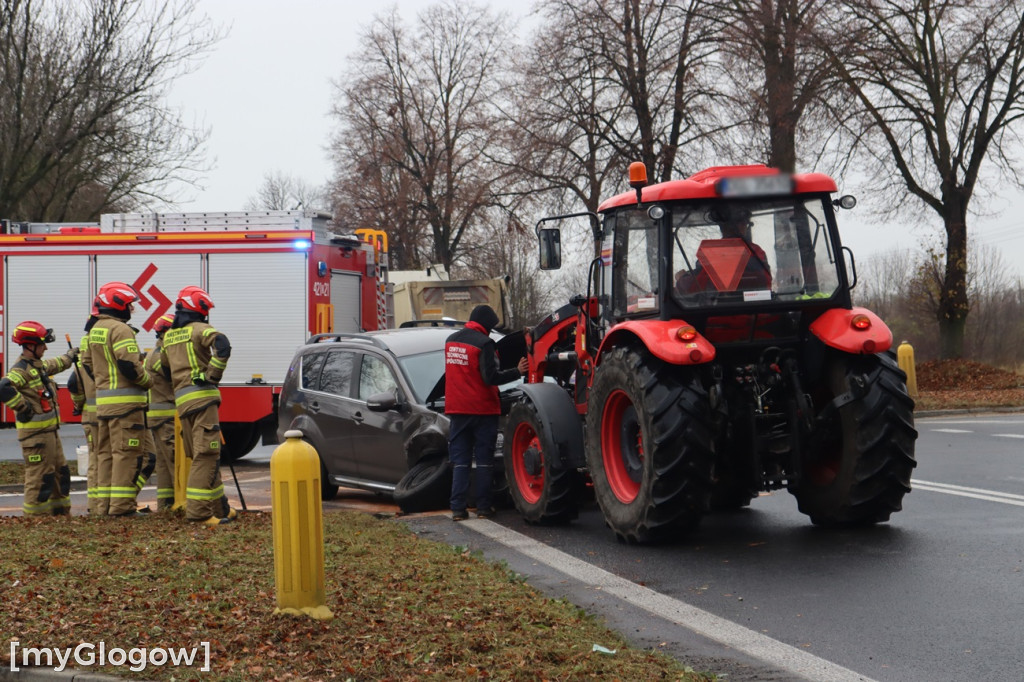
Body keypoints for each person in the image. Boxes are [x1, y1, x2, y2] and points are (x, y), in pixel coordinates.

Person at [160, 286, 235, 526]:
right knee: (207, 453)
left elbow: (163, 368)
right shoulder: (200, 330)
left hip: (183, 403)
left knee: (203, 455)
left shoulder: (169, 336)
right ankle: (199, 513)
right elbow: (223, 345)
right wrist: (212, 375)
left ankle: (218, 508)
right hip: (202, 399)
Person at [444, 304, 527, 521]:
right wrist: (516, 371)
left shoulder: (451, 341)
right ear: (486, 326)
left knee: (460, 461)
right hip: (482, 410)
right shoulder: (484, 343)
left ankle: (458, 510)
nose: (491, 331)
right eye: (491, 327)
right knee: (483, 461)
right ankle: (483, 508)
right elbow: (491, 377)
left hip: (457, 410)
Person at [83, 282, 154, 517]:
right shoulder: (120, 329)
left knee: (105, 457)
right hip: (126, 407)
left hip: (103, 406)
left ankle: (103, 508)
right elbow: (128, 365)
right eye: (129, 305)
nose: (131, 310)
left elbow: (87, 364)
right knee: (126, 455)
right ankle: (122, 509)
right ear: (119, 305)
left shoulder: (96, 329)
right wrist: (147, 380)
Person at [0, 321, 78, 516]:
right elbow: (4, 387)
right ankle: (35, 520)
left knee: (60, 474)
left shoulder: (38, 366)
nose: (46, 347)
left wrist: (71, 356)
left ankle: (60, 515)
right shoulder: (21, 370)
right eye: (43, 344)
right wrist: (23, 407)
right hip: (35, 438)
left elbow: (56, 364)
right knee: (40, 479)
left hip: (50, 434)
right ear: (30, 345)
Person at [676, 208, 772, 294]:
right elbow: (766, 282)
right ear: (742, 225)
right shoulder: (756, 252)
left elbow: (694, 286)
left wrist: (681, 279)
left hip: (717, 311)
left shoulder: (712, 252)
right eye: (745, 223)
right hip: (754, 311)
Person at [67, 302, 101, 514]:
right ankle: (100, 505)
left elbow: (73, 384)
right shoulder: (99, 348)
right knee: (102, 459)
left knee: (96, 459)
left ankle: (94, 504)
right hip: (104, 414)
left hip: (89, 415)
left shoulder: (84, 353)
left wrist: (79, 404)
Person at [145, 313, 177, 511]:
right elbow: (175, 374)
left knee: (165, 466)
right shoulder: (158, 356)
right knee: (175, 461)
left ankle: (167, 505)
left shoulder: (156, 352)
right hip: (165, 417)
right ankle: (184, 503)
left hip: (160, 417)